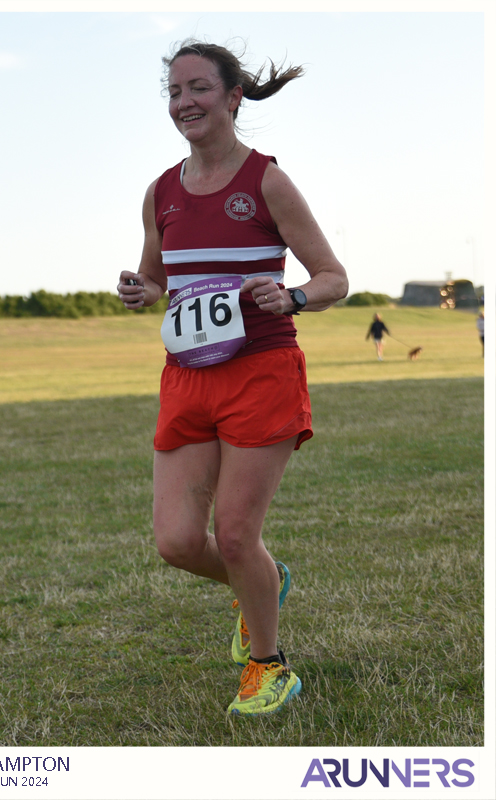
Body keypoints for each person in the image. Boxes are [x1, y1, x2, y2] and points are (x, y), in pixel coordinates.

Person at [117, 39, 348, 716]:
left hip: (261, 369)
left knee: (239, 532)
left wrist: (296, 296)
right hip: (187, 375)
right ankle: (264, 585)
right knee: (178, 541)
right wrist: (142, 289)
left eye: (198, 89)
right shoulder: (161, 191)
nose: (183, 102)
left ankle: (269, 666)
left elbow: (334, 277)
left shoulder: (267, 181)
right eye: (175, 92)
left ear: (232, 97)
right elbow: (160, 277)